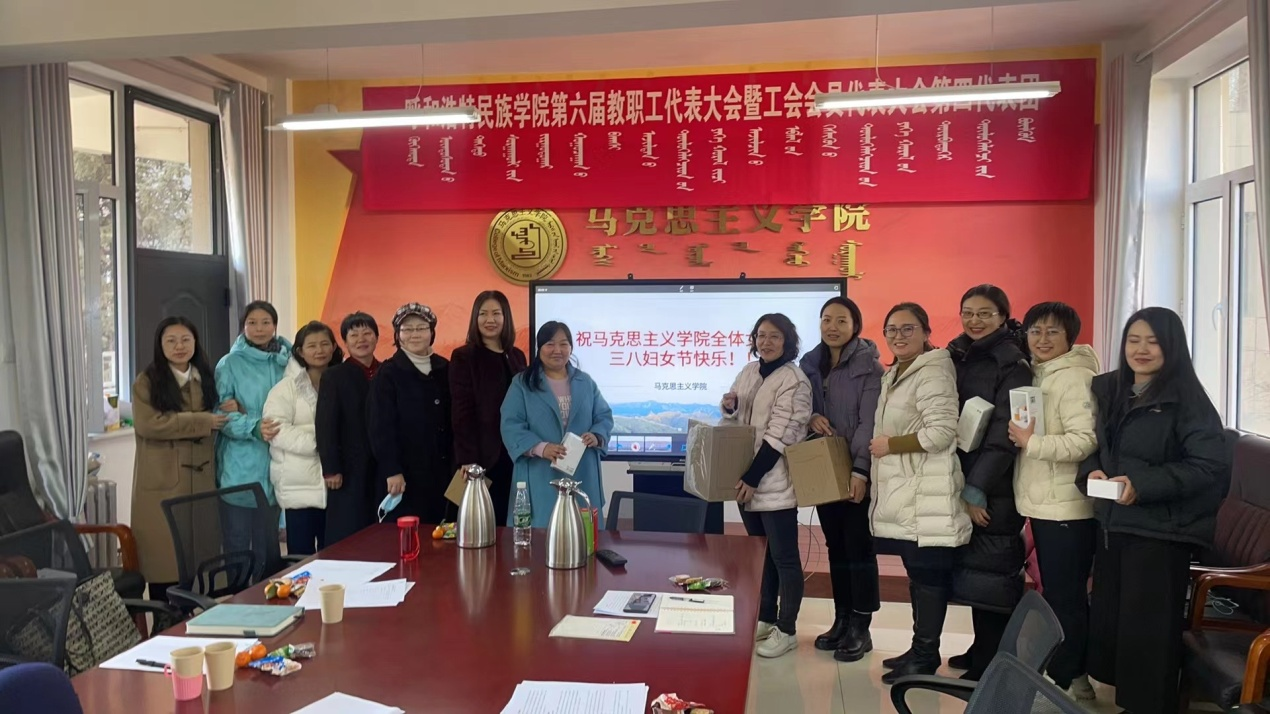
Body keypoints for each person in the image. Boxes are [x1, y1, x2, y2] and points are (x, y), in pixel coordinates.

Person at [1081, 307, 1229, 714]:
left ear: (1172, 346)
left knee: (1149, 632)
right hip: (1115, 525)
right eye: (1133, 340)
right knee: (1120, 627)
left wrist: (1142, 485)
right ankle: (1133, 704)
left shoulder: (1187, 400)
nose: (1141, 349)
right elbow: (1099, 448)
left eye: (1153, 341)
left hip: (1162, 532)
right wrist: (1091, 471)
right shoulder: (1114, 391)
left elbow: (1209, 466)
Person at [871, 302, 972, 684]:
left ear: (926, 332)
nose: (898, 336)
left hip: (926, 492)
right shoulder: (898, 371)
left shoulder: (933, 370)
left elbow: (942, 432)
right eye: (892, 329)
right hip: (909, 492)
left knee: (928, 577)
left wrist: (890, 445)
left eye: (907, 328)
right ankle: (919, 649)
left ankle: (927, 656)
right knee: (918, 574)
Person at [1007, 302, 1100, 700]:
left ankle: (1070, 680)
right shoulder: (1041, 373)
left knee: (1066, 597)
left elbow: (1086, 440)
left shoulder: (1075, 377)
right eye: (1035, 331)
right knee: (1059, 594)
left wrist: (1033, 443)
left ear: (1070, 337)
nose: (1042, 339)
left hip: (1067, 508)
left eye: (1052, 332)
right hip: (1047, 503)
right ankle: (1069, 672)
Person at [945, 284, 1033, 680]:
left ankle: (994, 662)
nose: (974, 320)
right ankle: (981, 648)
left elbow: (1004, 432)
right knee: (977, 572)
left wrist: (977, 487)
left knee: (995, 572)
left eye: (984, 313)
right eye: (968, 312)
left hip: (994, 484)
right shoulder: (959, 353)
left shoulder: (1012, 362)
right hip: (966, 475)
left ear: (1002, 317)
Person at [722, 313, 813, 660]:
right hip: (745, 480)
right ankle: (765, 617)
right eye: (761, 335)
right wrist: (729, 406)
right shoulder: (749, 371)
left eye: (775, 336)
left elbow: (781, 435)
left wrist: (752, 477)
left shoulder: (794, 379)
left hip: (773, 483)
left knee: (784, 558)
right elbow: (737, 419)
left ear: (787, 341)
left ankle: (787, 630)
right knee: (762, 558)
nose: (766, 342)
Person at [797, 297, 883, 662]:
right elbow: (800, 406)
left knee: (858, 547)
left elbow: (869, 422)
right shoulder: (809, 365)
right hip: (824, 467)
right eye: (826, 319)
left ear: (855, 325)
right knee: (836, 546)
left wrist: (860, 470)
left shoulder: (870, 367)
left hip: (856, 470)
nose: (832, 327)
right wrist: (811, 416)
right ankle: (842, 618)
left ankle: (861, 626)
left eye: (841, 320)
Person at [131, 317, 227, 601]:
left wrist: (227, 408)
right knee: (166, 557)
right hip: (163, 480)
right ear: (160, 345)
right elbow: (149, 424)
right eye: (171, 341)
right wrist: (202, 421)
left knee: (200, 556)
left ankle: (194, 613)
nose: (179, 346)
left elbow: (217, 414)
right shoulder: (147, 381)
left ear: (195, 342)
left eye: (186, 339)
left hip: (202, 479)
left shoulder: (205, 377)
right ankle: (164, 615)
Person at [500, 321, 612, 526]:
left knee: (583, 534)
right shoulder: (522, 383)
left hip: (583, 474)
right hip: (539, 475)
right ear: (539, 348)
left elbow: (603, 416)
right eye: (550, 344)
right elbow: (510, 425)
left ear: (571, 347)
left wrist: (596, 435)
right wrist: (541, 448)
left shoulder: (586, 382)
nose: (557, 350)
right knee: (540, 536)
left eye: (564, 344)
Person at [215, 301, 291, 553]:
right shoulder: (229, 364)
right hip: (241, 464)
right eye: (252, 323)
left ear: (275, 326)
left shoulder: (287, 361)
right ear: (243, 327)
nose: (259, 329)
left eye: (266, 322)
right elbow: (221, 415)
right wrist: (253, 425)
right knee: (238, 541)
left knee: (268, 544)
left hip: (278, 462)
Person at [368, 303, 454, 523]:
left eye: (422, 328)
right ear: (398, 335)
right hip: (405, 475)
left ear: (432, 332)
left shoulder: (445, 368)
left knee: (443, 531)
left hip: (443, 471)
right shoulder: (388, 373)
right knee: (409, 532)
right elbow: (381, 426)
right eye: (407, 329)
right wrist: (392, 469)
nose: (415, 334)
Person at [264, 321, 343, 556]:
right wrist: (324, 445)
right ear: (300, 351)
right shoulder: (285, 388)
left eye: (325, 344)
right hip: (299, 486)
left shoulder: (343, 381)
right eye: (312, 345)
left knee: (335, 555)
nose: (319, 350)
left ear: (333, 348)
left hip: (338, 485)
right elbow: (277, 430)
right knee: (301, 558)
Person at [450, 291, 527, 525]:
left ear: (506, 317)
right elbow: (461, 410)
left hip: (514, 454)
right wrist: (467, 458)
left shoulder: (517, 356)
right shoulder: (464, 356)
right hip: (482, 456)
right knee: (477, 524)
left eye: (496, 313)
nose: (489, 320)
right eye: (483, 314)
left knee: (511, 523)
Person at [316, 312, 382, 545]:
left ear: (376, 337)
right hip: (348, 469)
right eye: (354, 335)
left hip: (381, 467)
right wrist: (331, 468)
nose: (361, 339)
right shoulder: (334, 376)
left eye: (367, 333)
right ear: (344, 341)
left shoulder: (387, 372)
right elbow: (325, 424)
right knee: (348, 532)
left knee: (380, 531)